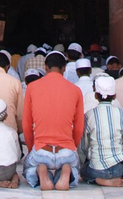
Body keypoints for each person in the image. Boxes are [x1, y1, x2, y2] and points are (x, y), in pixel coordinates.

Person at [22, 51, 84, 191]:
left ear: (45, 67)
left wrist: (34, 147)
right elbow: (79, 127)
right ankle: (67, 171)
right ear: (64, 68)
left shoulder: (32, 88)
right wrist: (71, 146)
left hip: (42, 151)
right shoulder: (75, 90)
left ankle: (40, 171)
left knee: (28, 169)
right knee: (75, 168)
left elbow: (26, 125)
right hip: (66, 151)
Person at [80, 76, 123, 188]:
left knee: (84, 172)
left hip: (97, 170)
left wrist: (84, 161)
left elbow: (83, 146)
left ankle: (99, 180)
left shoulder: (88, 115)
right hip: (119, 168)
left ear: (95, 95)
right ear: (114, 96)